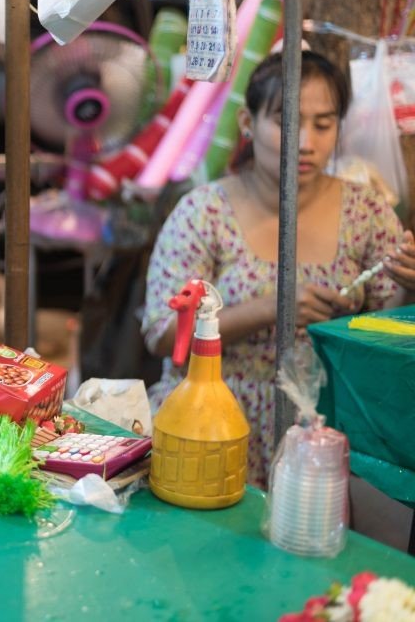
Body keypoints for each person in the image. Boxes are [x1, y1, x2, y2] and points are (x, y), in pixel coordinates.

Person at [141, 50, 415, 489]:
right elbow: (160, 334)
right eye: (287, 122)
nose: (306, 142)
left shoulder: (367, 213)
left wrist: (407, 287)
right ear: (248, 124)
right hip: (211, 426)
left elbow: (385, 337)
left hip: (323, 437)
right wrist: (273, 307)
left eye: (324, 125)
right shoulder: (204, 212)